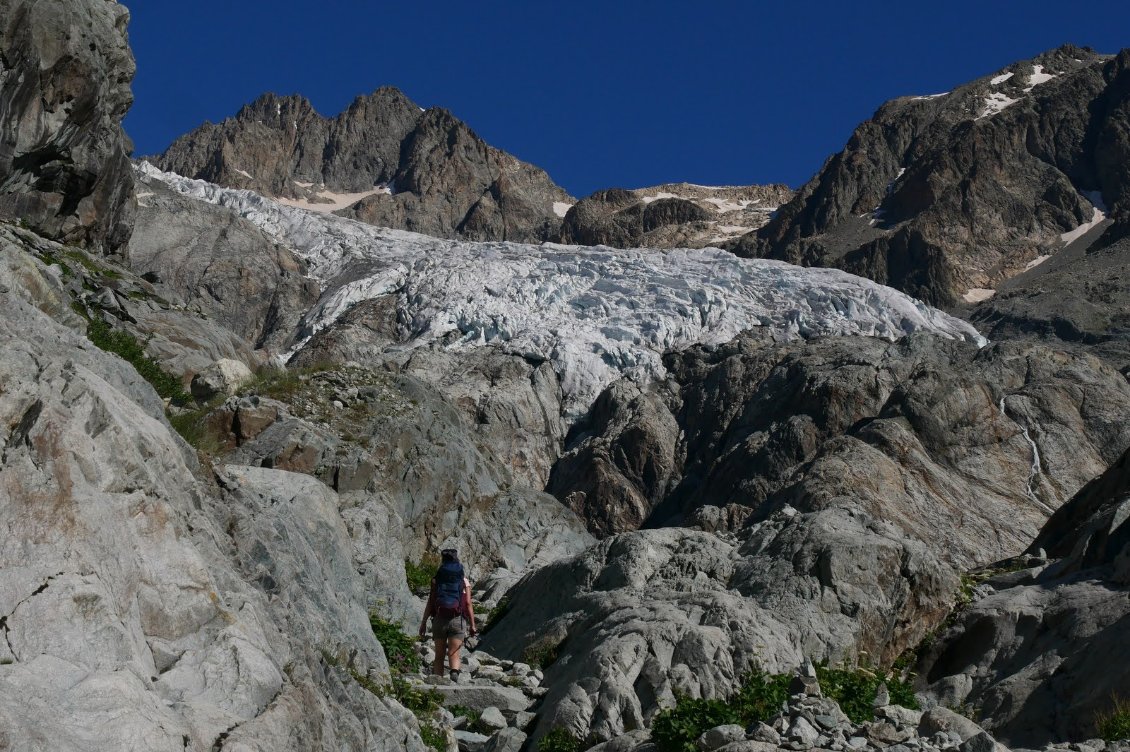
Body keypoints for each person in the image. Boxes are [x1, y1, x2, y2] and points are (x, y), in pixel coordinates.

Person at [418, 548, 477, 680]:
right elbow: (468, 603)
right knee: (454, 653)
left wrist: (423, 623)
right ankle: (454, 672)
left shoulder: (436, 580)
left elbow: (430, 603)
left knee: (439, 655)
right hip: (458, 619)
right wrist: (472, 625)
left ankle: (437, 683)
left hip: (439, 620)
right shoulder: (464, 581)